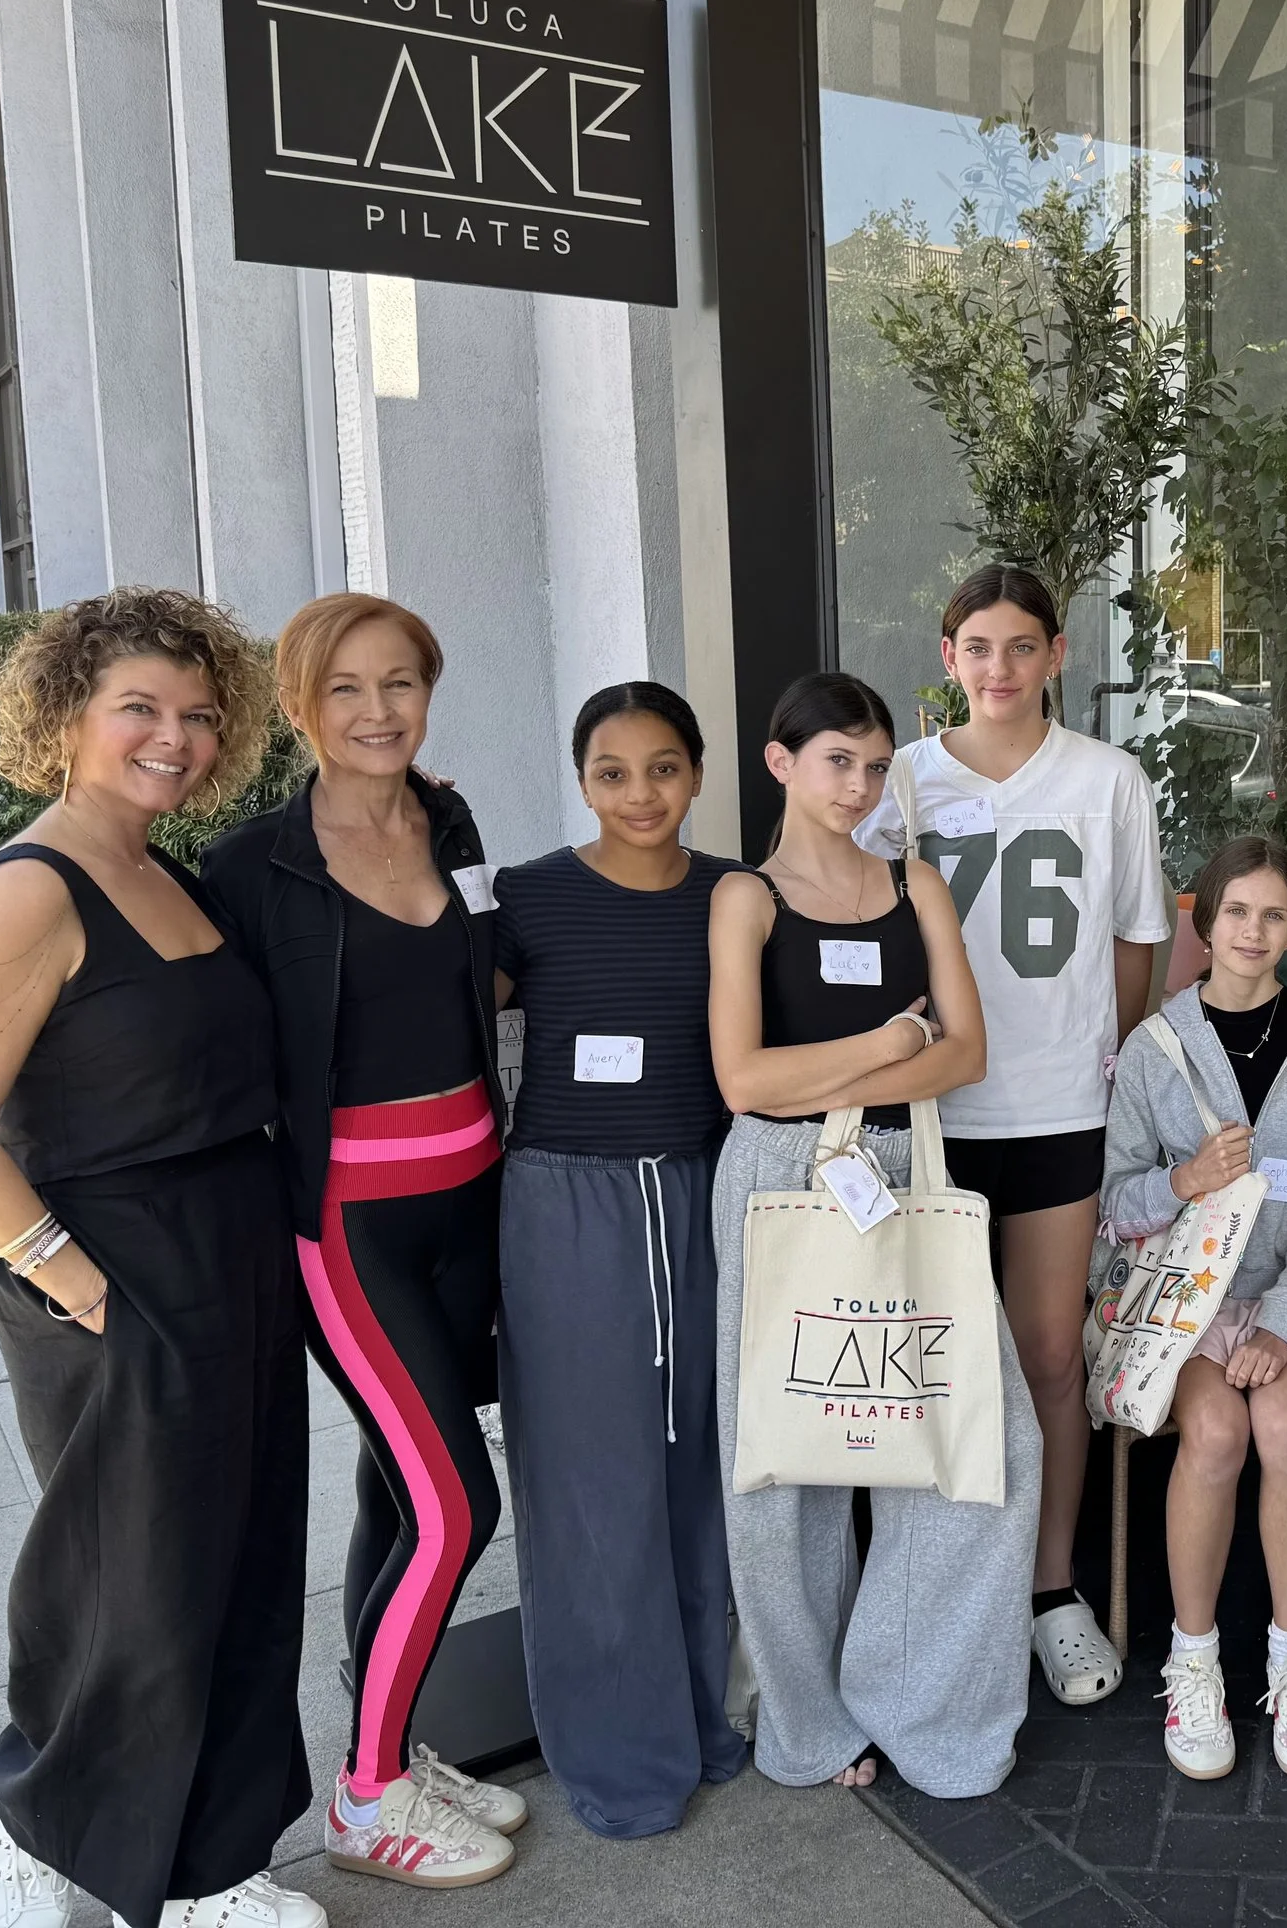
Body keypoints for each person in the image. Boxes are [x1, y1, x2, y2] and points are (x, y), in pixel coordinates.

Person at [0, 592, 317, 1928]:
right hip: (113, 1268)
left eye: (195, 715)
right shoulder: (31, 888)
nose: (171, 738)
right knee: (123, 1585)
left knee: (236, 1570)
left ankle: (207, 1873)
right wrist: (68, 1277)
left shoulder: (167, 868)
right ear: (67, 716)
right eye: (139, 709)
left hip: (230, 1250)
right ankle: (32, 1828)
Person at [206, 593, 525, 1889]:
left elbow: (472, 981)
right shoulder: (252, 865)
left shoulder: (445, 821)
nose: (379, 710)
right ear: (299, 707)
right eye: (346, 689)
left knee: (399, 1493)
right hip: (351, 1232)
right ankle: (366, 1796)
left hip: (473, 1208)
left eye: (401, 683)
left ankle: (389, 1736)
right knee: (458, 1503)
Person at [710, 672, 1036, 1795]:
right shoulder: (745, 900)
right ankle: (811, 1720)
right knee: (782, 1457)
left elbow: (966, 1054)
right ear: (780, 763)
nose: (855, 785)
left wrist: (896, 1056)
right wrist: (892, 1043)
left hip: (911, 1171)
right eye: (834, 760)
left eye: (873, 764)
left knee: (977, 1449)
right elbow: (741, 1077)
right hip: (781, 1180)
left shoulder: (915, 886)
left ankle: (921, 1702)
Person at [855, 566, 1173, 1706]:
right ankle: (938, 1585)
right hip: (930, 1112)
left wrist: (1101, 1057)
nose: (999, 668)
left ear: (1058, 654)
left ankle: (1048, 1590)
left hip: (1052, 1109)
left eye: (1020, 646)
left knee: (1048, 1356)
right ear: (948, 658)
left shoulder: (1106, 779)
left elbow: (1137, 943)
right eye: (977, 647)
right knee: (925, 1363)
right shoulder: (897, 783)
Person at [491, 682, 750, 1835]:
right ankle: (614, 1751)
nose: (638, 793)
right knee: (591, 1487)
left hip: (703, 1194)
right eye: (610, 770)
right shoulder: (529, 898)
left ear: (697, 773)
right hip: (568, 1207)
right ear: (580, 779)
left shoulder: (739, 897)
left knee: (700, 1470)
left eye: (662, 767)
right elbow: (421, 1011)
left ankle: (701, 1716)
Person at [1098, 835, 1287, 1782]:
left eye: (1273, 914)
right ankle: (1195, 1657)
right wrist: (1182, 1179)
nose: (1252, 931)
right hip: (1188, 1298)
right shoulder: (1154, 1049)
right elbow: (1113, 1203)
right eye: (1235, 912)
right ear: (1203, 924)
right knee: (1215, 1434)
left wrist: (1286, 1321)